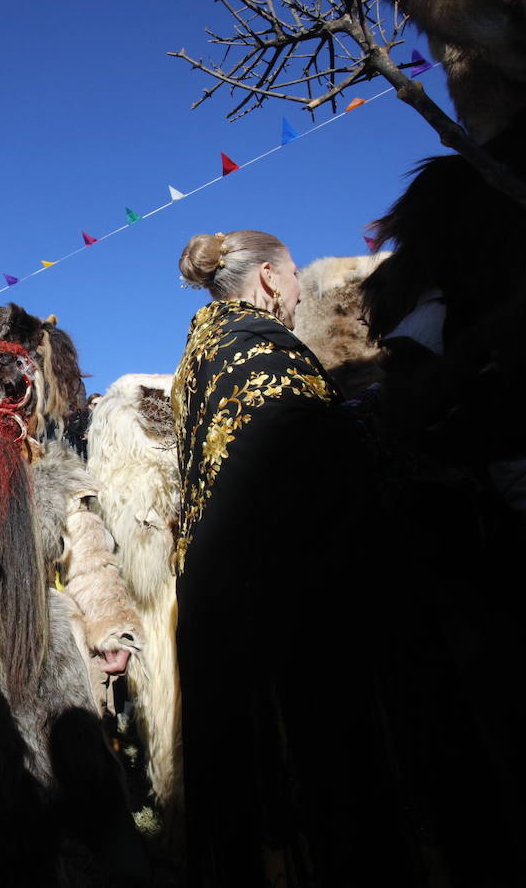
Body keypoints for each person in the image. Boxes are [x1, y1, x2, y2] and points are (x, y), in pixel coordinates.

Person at [172, 229, 419, 886]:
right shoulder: (264, 350)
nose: (302, 291)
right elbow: (309, 463)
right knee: (324, 787)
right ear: (273, 278)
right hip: (286, 607)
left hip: (215, 604)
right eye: (296, 279)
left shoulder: (199, 358)